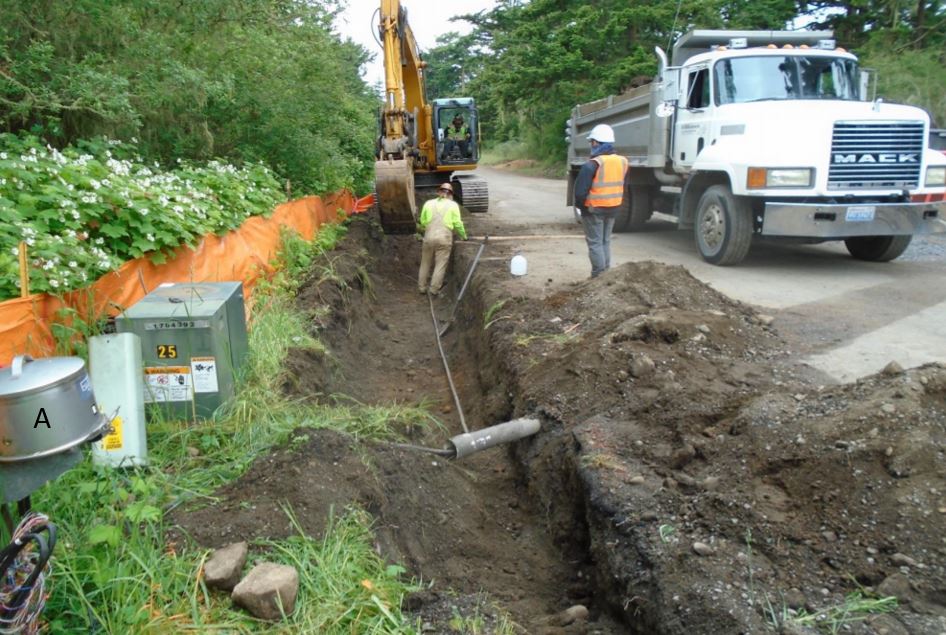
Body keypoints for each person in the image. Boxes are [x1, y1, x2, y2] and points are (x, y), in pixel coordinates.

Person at [573, 123, 628, 278]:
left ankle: (598, 275)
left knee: (595, 242)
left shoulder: (593, 164)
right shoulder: (622, 161)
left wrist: (582, 208)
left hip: (594, 209)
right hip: (613, 207)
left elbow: (580, 192)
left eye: (591, 142)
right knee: (605, 241)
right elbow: (623, 183)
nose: (591, 145)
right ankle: (606, 275)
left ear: (596, 142)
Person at [418, 182, 467, 295]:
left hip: (429, 236)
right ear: (450, 194)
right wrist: (463, 236)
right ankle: (434, 289)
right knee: (440, 264)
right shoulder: (453, 205)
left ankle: (422, 287)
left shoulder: (428, 203)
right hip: (444, 238)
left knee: (425, 262)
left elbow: (423, 221)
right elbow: (457, 223)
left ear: (438, 192)